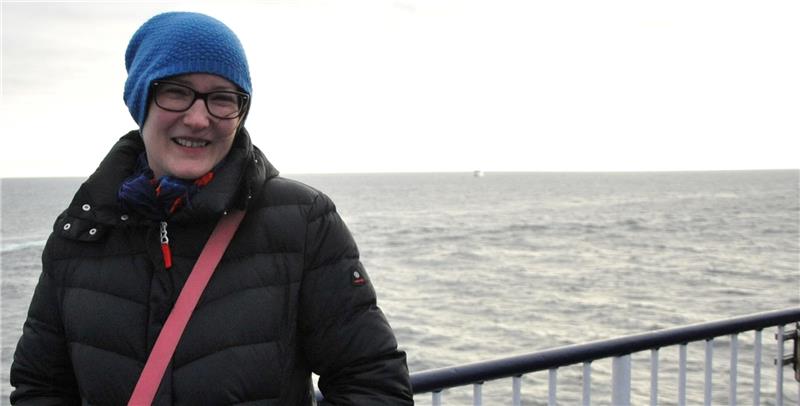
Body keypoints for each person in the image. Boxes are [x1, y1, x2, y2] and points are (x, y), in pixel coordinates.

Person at [9, 11, 413, 405]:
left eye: (222, 98)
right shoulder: (83, 231)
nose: (199, 118)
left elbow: (373, 383)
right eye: (176, 92)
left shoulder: (304, 221)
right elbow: (41, 388)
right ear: (140, 100)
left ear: (240, 114)